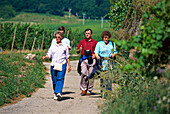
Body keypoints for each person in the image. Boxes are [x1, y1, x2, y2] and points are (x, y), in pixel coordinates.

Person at [43, 31, 71, 101]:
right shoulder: (53, 46)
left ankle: (58, 92)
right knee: (54, 80)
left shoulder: (64, 46)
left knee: (60, 78)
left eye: (59, 37)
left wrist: (69, 65)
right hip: (54, 64)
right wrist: (46, 56)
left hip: (62, 64)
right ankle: (56, 93)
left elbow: (67, 56)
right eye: (56, 37)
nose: (57, 38)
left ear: (61, 37)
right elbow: (49, 54)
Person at [77, 28, 97, 96]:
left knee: (91, 75)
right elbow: (77, 51)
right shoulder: (82, 42)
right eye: (86, 33)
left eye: (88, 33)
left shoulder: (94, 42)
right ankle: (83, 89)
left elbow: (97, 51)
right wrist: (79, 50)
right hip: (84, 59)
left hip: (91, 59)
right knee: (83, 73)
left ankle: (89, 90)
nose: (87, 35)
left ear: (91, 34)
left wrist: (95, 55)